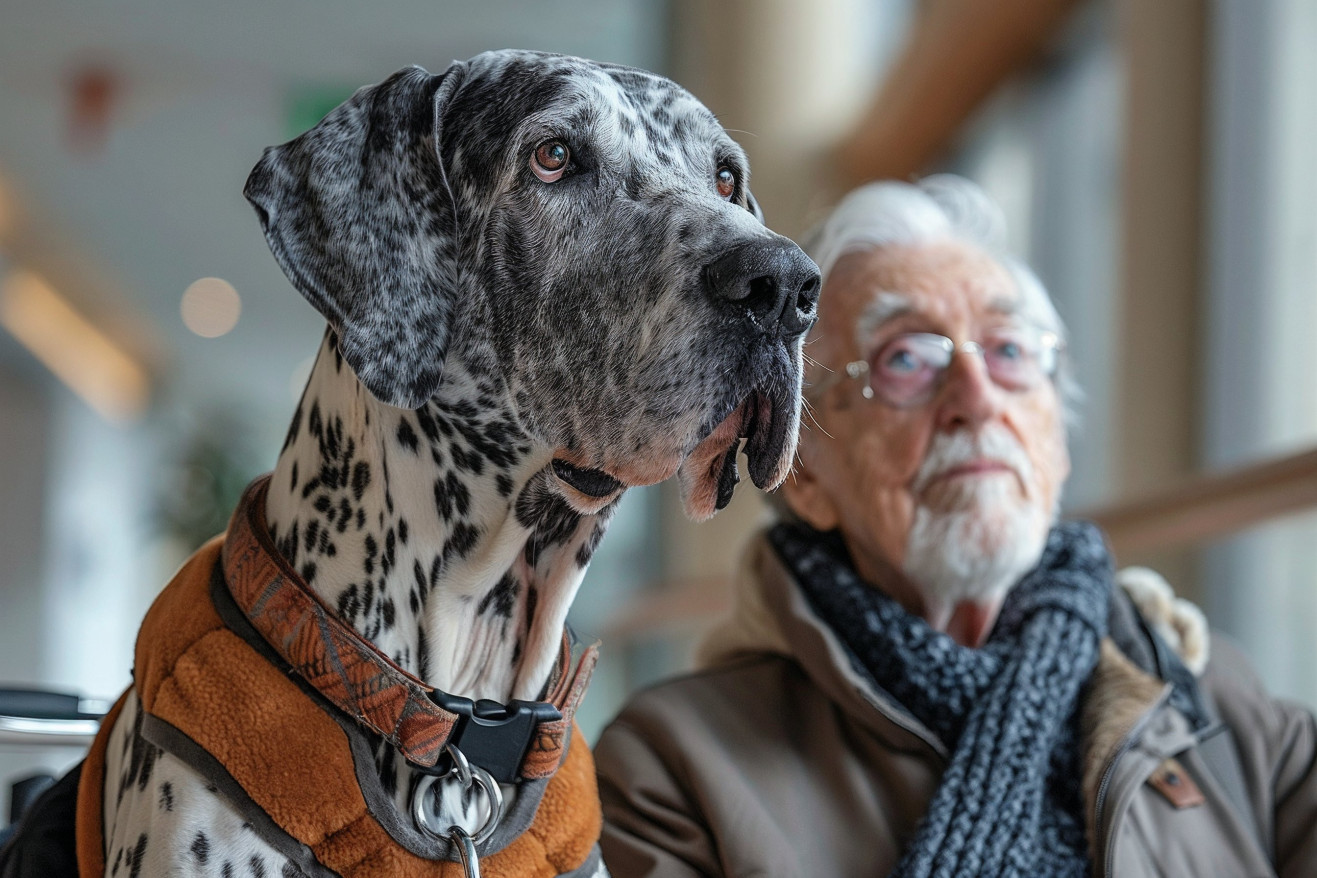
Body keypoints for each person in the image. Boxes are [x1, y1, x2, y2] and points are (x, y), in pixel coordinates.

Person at [593, 176, 1317, 877]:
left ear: (1055, 442)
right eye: (905, 359)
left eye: (1007, 351)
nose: (975, 399)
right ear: (802, 471)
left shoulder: (1214, 701)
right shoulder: (674, 767)